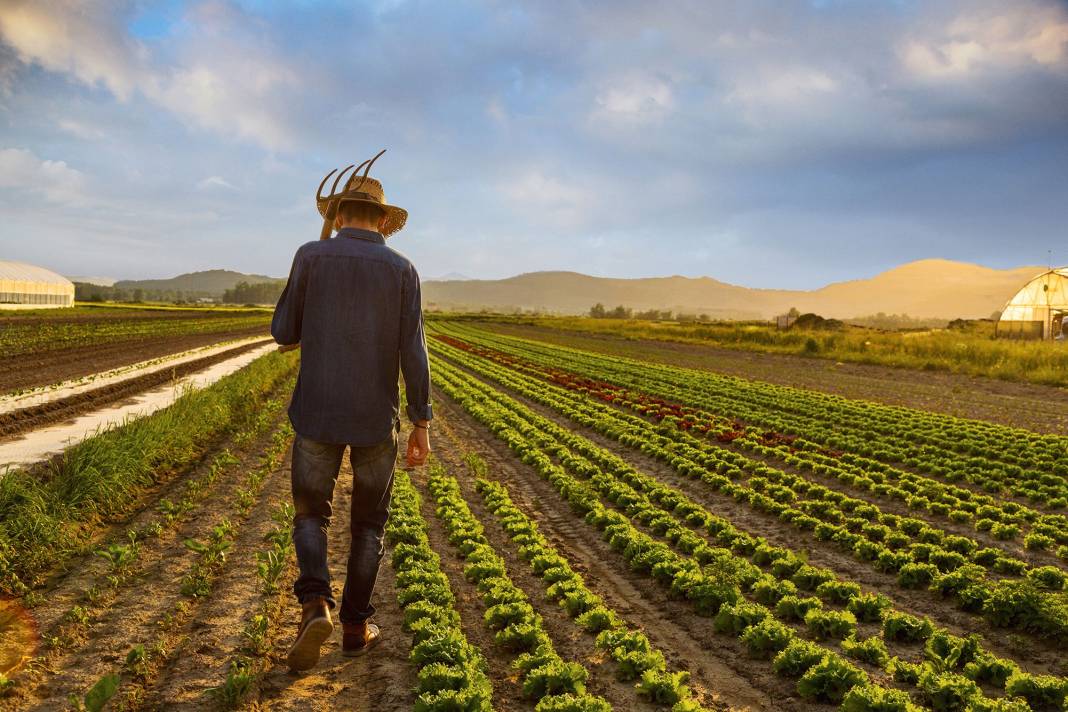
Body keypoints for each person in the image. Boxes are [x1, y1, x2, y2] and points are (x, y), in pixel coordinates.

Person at [271, 151, 432, 671]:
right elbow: (414, 351)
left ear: (338, 216)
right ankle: (356, 628)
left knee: (310, 514)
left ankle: (315, 603)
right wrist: (421, 423)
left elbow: (283, 333)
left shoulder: (310, 256)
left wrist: (303, 275)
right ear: (384, 221)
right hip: (374, 421)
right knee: (369, 525)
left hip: (316, 412)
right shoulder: (403, 269)